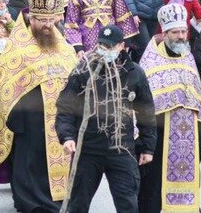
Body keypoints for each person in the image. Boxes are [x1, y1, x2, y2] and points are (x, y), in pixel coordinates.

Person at [0, 0, 78, 213]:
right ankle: (29, 201)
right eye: (42, 20)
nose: (48, 25)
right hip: (28, 118)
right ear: (32, 17)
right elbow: (5, 84)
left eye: (52, 19)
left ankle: (59, 198)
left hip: (59, 119)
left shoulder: (64, 47)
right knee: (29, 160)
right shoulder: (18, 47)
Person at [55, 25, 157, 213]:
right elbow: (66, 106)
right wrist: (67, 136)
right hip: (88, 148)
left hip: (121, 147)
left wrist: (147, 146)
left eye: (110, 46)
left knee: (128, 203)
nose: (105, 50)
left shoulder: (134, 72)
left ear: (121, 46)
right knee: (77, 203)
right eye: (102, 45)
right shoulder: (83, 70)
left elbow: (147, 113)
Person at [137, 3, 201, 213]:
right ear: (164, 32)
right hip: (159, 134)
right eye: (175, 32)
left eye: (183, 31)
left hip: (188, 135)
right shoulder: (151, 60)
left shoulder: (187, 56)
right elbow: (143, 102)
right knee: (154, 185)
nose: (180, 36)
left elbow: (196, 96)